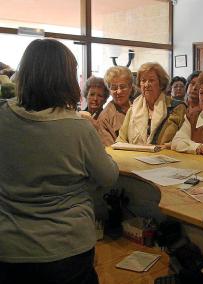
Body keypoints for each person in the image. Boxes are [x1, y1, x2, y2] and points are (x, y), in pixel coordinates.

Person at [0, 39, 119, 283]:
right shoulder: (78, 128)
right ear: (65, 79)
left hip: (10, 245)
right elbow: (108, 176)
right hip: (67, 245)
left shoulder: (3, 115)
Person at [117, 62, 186, 145]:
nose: (146, 85)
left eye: (151, 80)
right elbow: (121, 139)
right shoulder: (133, 109)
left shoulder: (177, 108)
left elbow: (185, 139)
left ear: (161, 84)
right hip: (134, 156)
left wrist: (169, 146)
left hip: (165, 156)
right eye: (143, 80)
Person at [97, 66, 133, 146]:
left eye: (123, 87)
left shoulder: (140, 107)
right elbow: (110, 150)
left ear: (130, 87)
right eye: (114, 88)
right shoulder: (105, 118)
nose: (119, 91)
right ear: (109, 90)